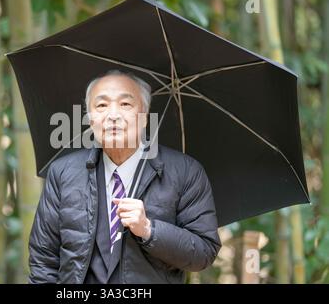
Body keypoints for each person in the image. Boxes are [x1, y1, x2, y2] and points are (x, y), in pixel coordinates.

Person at [28, 69, 221, 284]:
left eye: (125, 104)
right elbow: (43, 261)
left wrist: (149, 229)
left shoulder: (185, 171)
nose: (113, 115)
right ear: (90, 119)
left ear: (144, 117)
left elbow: (204, 252)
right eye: (101, 105)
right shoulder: (63, 173)